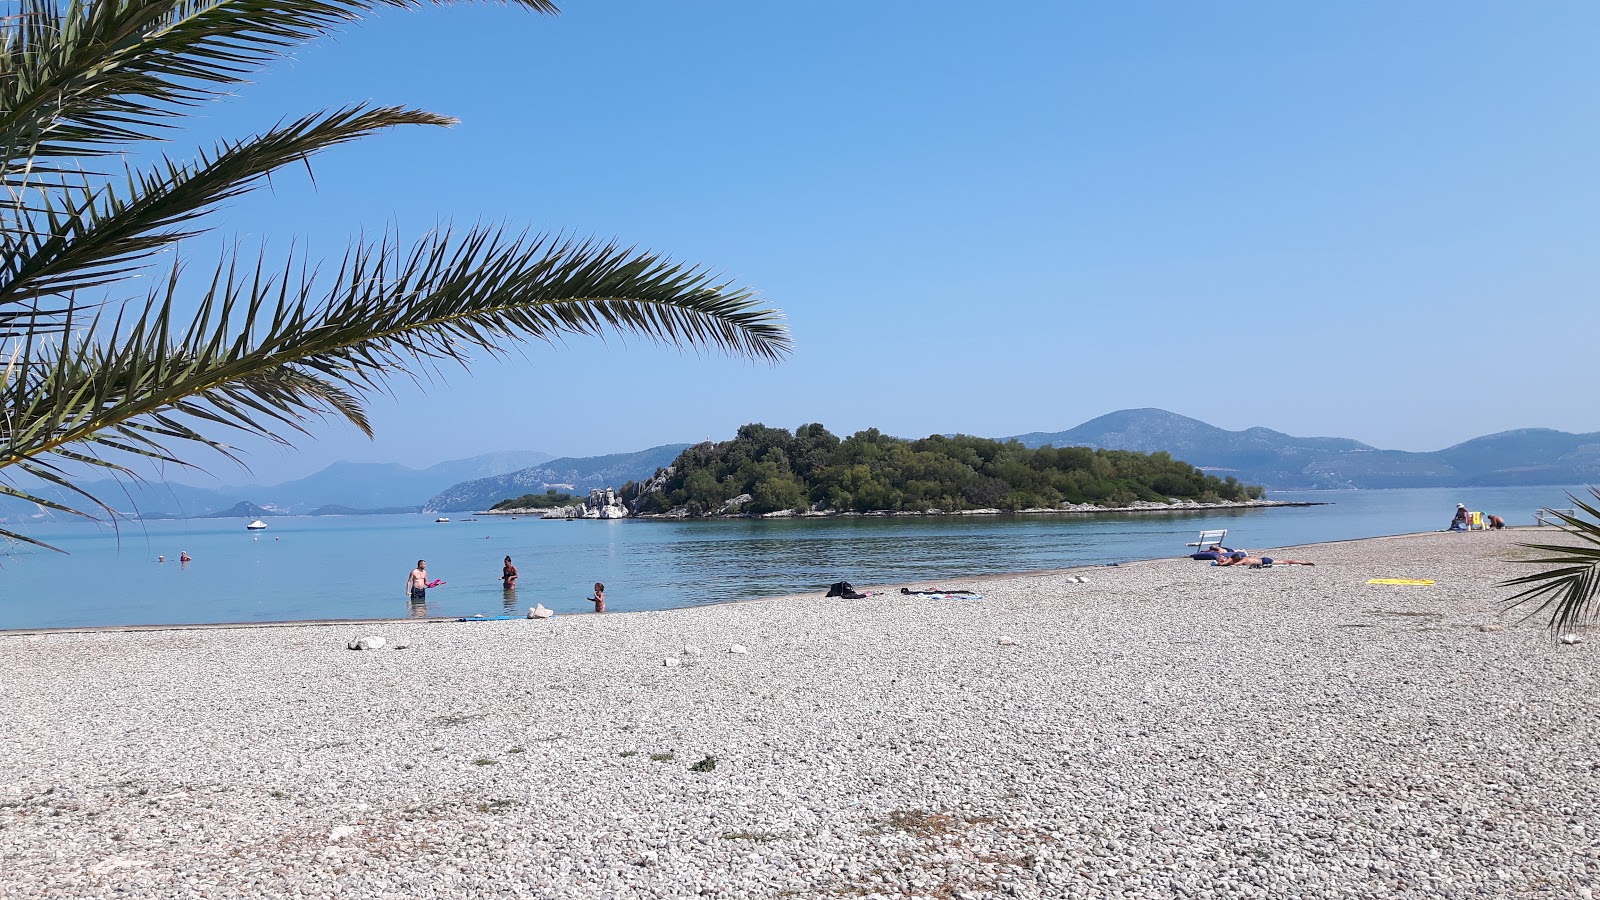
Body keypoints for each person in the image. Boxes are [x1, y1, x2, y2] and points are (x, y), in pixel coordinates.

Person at [1216, 552, 1314, 567]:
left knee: (1285, 562)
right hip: (1263, 559)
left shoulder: (1243, 560)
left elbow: (1234, 564)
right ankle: (1303, 562)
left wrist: (1222, 562)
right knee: (1285, 561)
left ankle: (1303, 562)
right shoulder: (1245, 558)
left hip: (1265, 561)